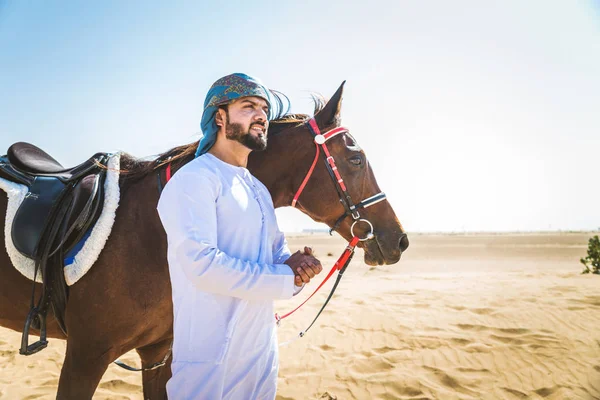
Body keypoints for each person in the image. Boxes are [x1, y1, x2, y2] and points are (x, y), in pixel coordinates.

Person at [157, 73, 323, 399]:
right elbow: (202, 265)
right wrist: (284, 277)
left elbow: (277, 255)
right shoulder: (194, 180)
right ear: (219, 117)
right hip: (209, 362)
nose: (261, 115)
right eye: (248, 106)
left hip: (260, 355)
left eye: (263, 108)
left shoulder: (257, 189)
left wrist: (297, 267)